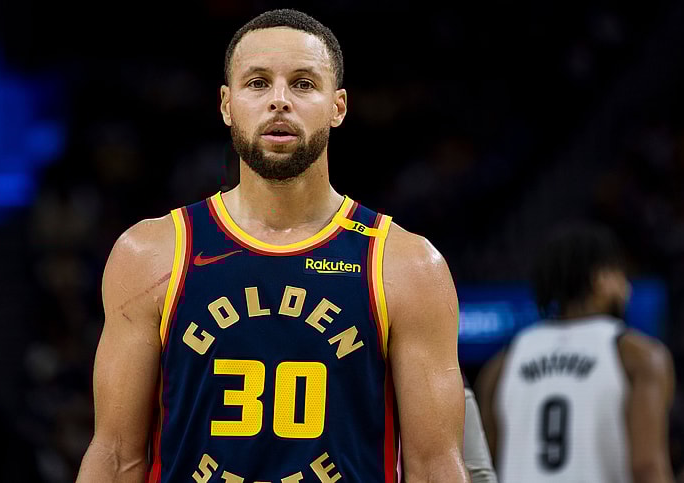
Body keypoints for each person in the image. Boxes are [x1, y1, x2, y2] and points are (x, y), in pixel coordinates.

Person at [76, 8, 468, 483]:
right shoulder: (150, 253)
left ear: (338, 107)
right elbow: (117, 459)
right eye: (257, 83)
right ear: (226, 104)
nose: (279, 101)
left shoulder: (405, 264)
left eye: (303, 84)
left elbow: (433, 467)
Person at [476, 222, 675, 483]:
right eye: (621, 275)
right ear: (601, 279)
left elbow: (485, 468)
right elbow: (646, 466)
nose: (627, 288)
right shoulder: (638, 355)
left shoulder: (501, 364)